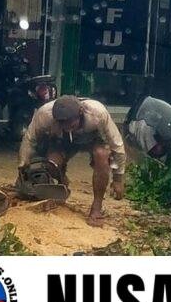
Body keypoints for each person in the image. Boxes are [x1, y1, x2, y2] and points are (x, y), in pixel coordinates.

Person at [18, 96, 126, 227]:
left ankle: (96, 208)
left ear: (80, 113)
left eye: (70, 123)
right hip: (61, 141)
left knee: (102, 155)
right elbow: (29, 140)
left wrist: (118, 178)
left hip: (92, 139)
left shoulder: (98, 113)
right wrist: (22, 167)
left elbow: (117, 144)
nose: (66, 126)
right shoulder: (44, 115)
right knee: (51, 163)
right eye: (61, 123)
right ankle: (61, 187)